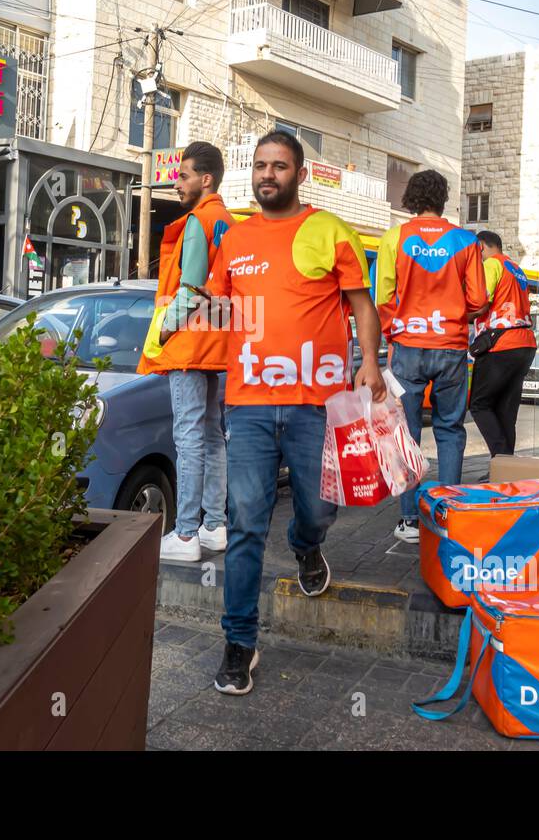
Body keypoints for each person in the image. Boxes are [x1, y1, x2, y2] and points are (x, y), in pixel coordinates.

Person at [195, 130, 385, 696]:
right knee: (247, 522)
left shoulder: (329, 229)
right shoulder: (233, 238)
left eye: (278, 166)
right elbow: (218, 309)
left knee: (319, 507)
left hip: (315, 403)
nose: (267, 175)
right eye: (259, 166)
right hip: (250, 404)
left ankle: (306, 545)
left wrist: (368, 362)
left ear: (300, 174)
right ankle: (239, 642)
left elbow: (361, 305)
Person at [374, 170, 488, 544]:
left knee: (405, 434)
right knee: (450, 429)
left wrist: (399, 330)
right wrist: (452, 315)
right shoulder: (465, 241)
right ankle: (449, 514)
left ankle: (409, 520)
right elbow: (478, 302)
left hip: (408, 348)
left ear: (410, 198)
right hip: (452, 348)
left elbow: (383, 299)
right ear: (443, 199)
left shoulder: (395, 238)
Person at [138, 142, 234, 562]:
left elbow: (191, 288)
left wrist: (162, 330)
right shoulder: (227, 221)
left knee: (189, 437)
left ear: (205, 179)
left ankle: (186, 533)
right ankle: (214, 526)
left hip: (189, 344)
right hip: (216, 342)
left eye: (184, 176)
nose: (177, 184)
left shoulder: (199, 220)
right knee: (212, 436)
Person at [468, 230, 537, 456]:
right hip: (524, 343)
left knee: (479, 404)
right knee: (506, 411)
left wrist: (455, 316)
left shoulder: (491, 265)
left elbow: (480, 302)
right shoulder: (516, 269)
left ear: (481, 246)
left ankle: (500, 457)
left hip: (501, 344)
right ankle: (507, 468)